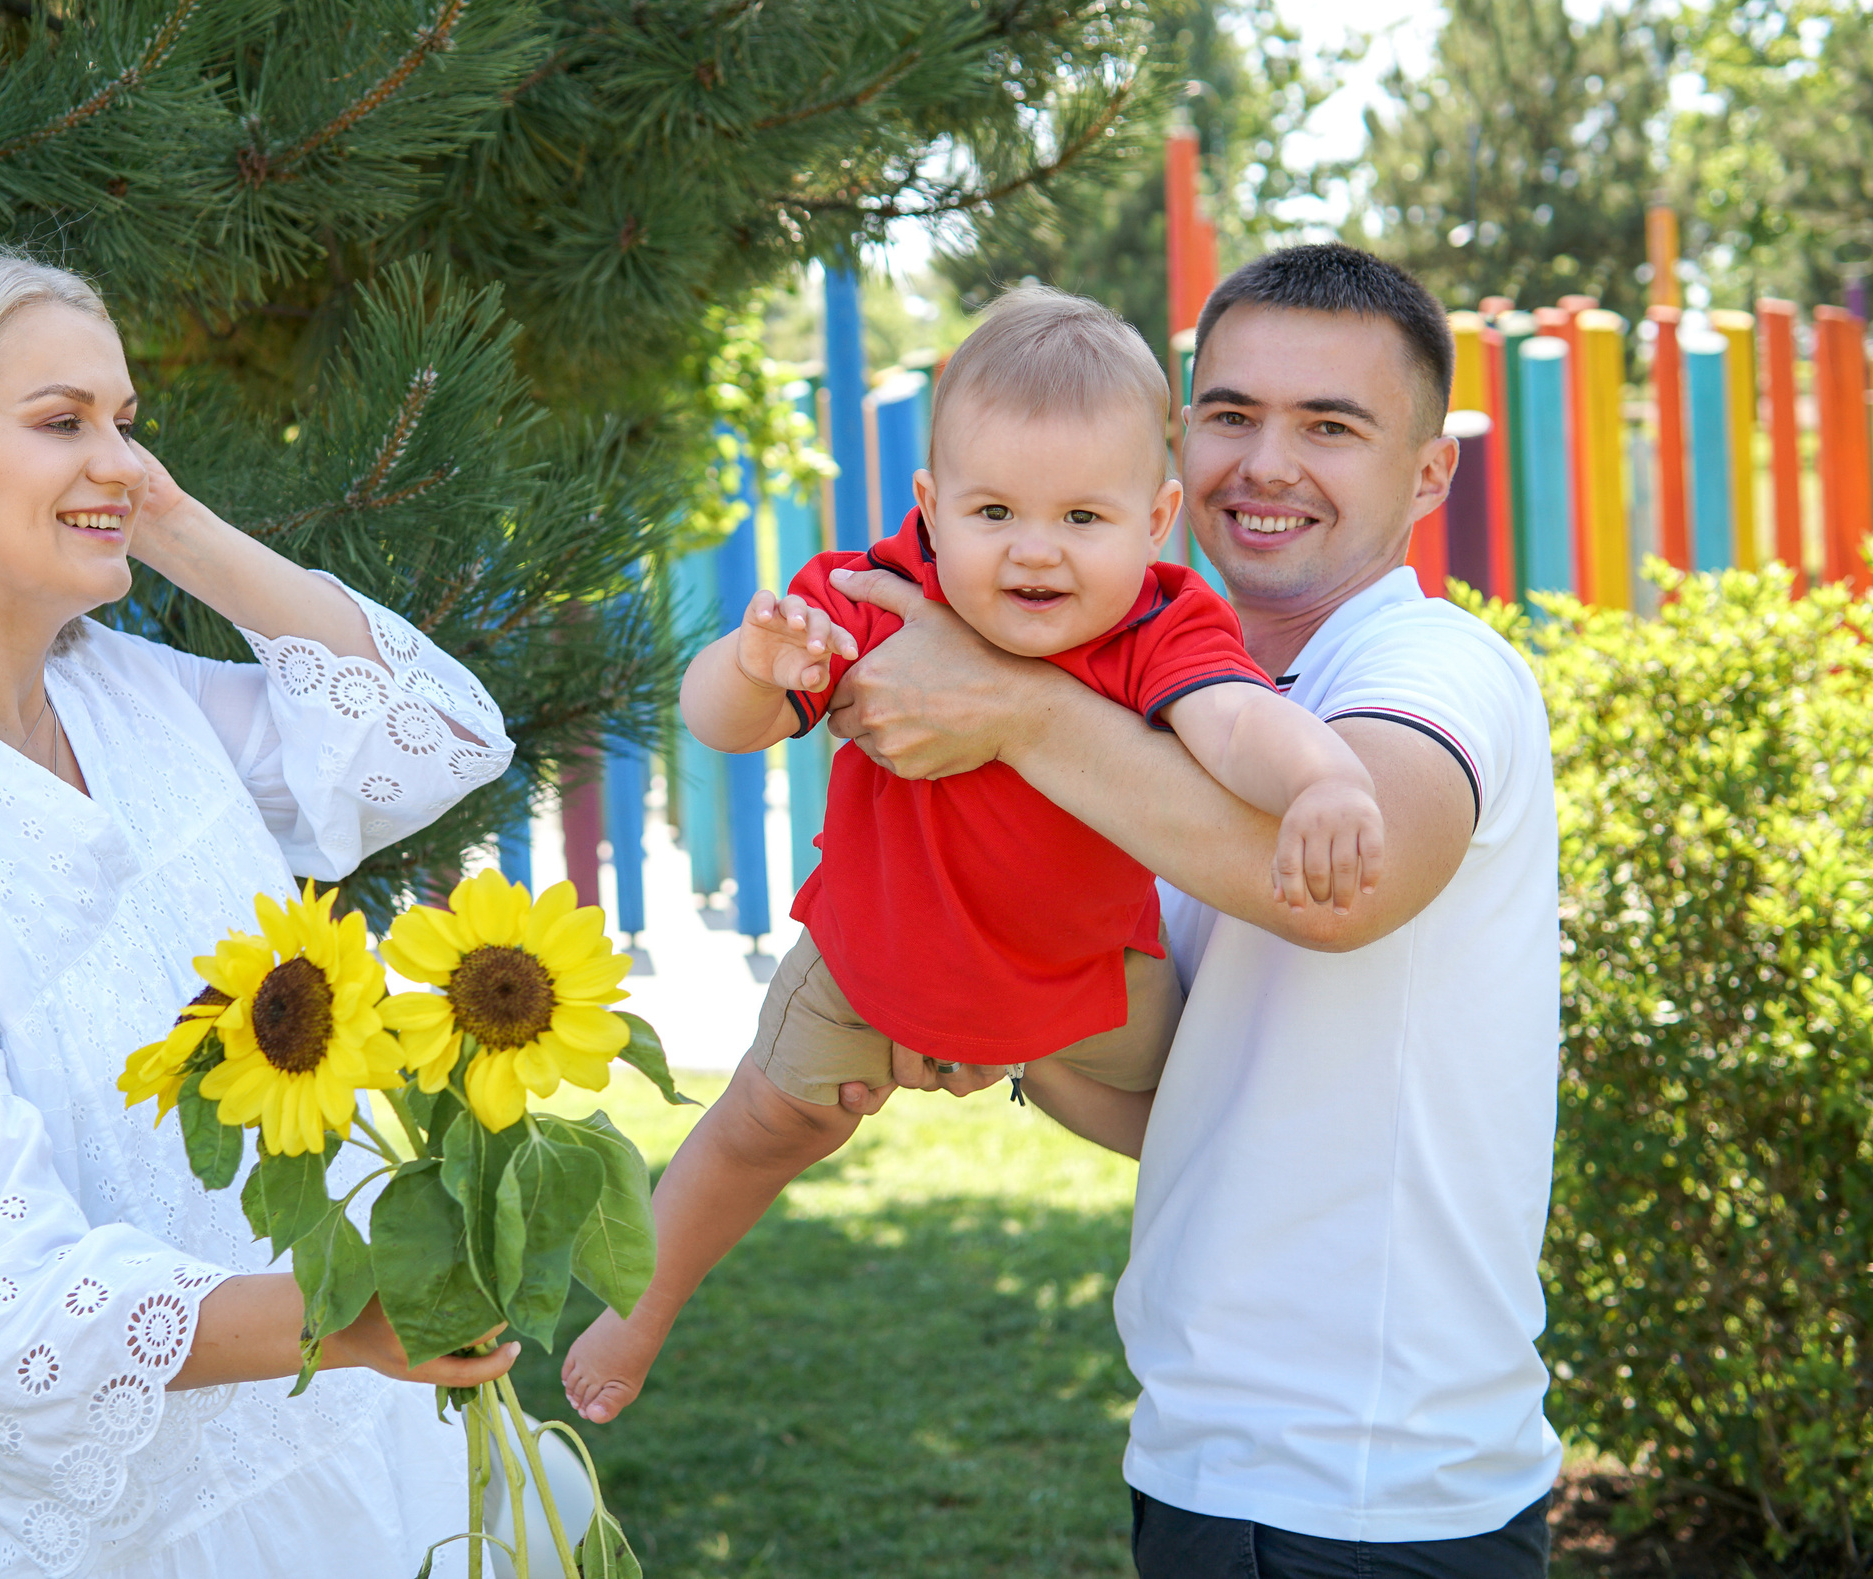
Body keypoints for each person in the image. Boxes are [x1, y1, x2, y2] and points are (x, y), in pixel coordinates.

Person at [0, 245, 521, 1577]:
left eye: (125, 421)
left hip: (329, 1434)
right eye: (60, 421)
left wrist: (161, 521)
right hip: (99, 1526)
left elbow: (445, 733)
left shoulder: (130, 695)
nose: (119, 456)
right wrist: (344, 1316)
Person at [821, 246, 1561, 1577]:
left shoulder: (1438, 665)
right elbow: (1178, 1101)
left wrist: (1010, 705)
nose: (1266, 463)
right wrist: (997, 1025)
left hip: (1378, 1490)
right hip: (1200, 1460)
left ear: (1431, 472)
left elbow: (1351, 883)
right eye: (1230, 414)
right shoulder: (1183, 726)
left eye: (1330, 426)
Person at [562, 285, 1385, 1427]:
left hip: (1088, 985)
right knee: (763, 1124)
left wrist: (1328, 775)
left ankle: (1311, 1302)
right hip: (875, 962)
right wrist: (756, 670)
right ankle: (639, 1305)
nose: (1035, 553)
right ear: (930, 508)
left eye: (1081, 522)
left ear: (1152, 524)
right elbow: (718, 724)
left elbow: (1235, 724)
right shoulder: (874, 597)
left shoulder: (1160, 619)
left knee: (1207, 1125)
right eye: (994, 512)